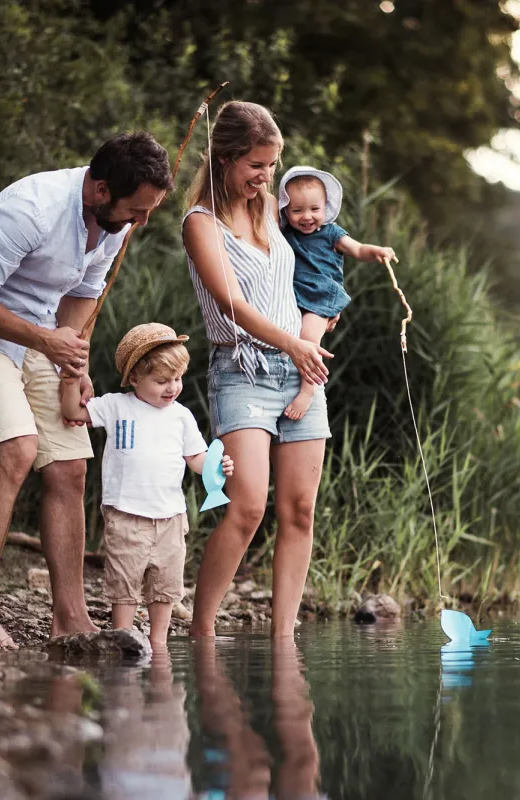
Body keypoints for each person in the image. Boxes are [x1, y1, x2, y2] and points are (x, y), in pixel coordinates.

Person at [0, 133, 174, 648]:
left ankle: (70, 619)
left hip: (42, 338)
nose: (141, 221)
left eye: (148, 211)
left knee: (69, 465)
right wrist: (48, 340)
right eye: (136, 210)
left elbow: (83, 294)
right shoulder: (32, 208)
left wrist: (74, 359)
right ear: (101, 189)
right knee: (19, 451)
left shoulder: (115, 224)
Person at [182, 100, 332, 638]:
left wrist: (311, 336)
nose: (266, 177)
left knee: (300, 510)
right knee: (246, 507)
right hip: (241, 369)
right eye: (255, 166)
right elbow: (231, 305)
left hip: (300, 371)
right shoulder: (199, 223)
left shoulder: (274, 207)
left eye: (271, 166)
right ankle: (201, 631)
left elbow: (321, 274)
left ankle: (283, 639)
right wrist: (294, 344)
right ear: (225, 159)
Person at [61, 322, 235, 648]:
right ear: (135, 378)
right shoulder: (116, 405)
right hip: (126, 514)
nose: (172, 388)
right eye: (161, 381)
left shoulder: (180, 416)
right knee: (124, 583)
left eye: (177, 379)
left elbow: (196, 458)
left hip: (170, 518)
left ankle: (159, 645)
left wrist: (218, 466)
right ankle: (124, 639)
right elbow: (72, 410)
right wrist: (71, 378)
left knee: (165, 586)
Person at [279, 166, 397, 420]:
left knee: (308, 337)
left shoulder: (331, 232)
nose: (306, 217)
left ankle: (308, 390)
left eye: (314, 209)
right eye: (297, 210)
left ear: (326, 207)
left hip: (321, 296)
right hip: (294, 296)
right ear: (286, 210)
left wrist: (376, 251)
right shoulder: (285, 234)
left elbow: (357, 249)